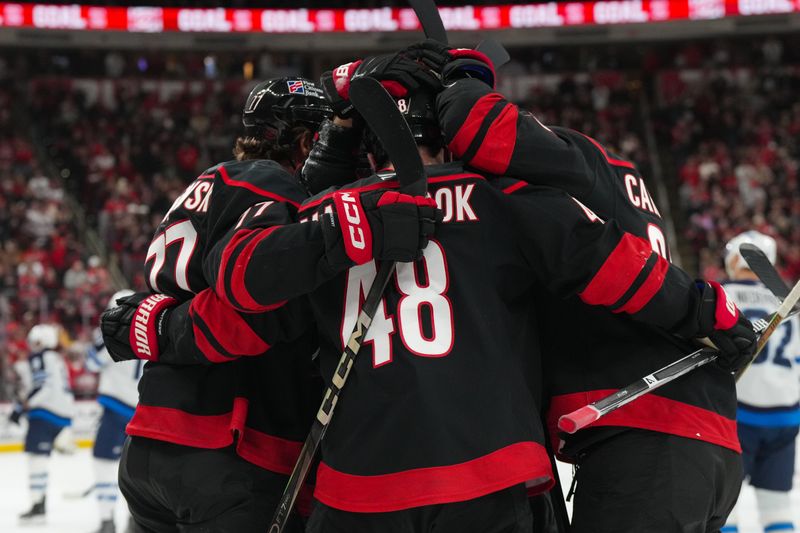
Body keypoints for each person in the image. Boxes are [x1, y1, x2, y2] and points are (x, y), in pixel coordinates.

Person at [166, 57, 754, 532]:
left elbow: (236, 282)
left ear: (363, 145)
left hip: (355, 490)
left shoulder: (314, 211)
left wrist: (152, 322)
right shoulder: (505, 196)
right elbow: (610, 266)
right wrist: (709, 310)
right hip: (492, 476)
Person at [371, 41, 757, 532]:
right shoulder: (622, 176)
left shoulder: (566, 161)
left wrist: (455, 83)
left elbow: (478, 125)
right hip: (702, 430)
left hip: (643, 435)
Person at [102, 77, 336, 533]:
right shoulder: (274, 183)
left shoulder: (206, 183)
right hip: (227, 446)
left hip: (150, 441)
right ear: (308, 140)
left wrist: (152, 325)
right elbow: (251, 301)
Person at [722, 231, 800, 533]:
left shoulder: (720, 292)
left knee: (724, 511)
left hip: (736, 415)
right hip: (785, 416)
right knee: (777, 510)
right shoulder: (789, 301)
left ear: (731, 260)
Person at [13, 323, 76, 524]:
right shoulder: (57, 358)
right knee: (39, 461)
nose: (32, 344)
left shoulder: (40, 357)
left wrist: (23, 406)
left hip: (45, 414)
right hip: (63, 414)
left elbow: (43, 387)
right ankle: (39, 504)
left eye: (36, 341)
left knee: (36, 461)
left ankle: (38, 506)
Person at [85, 289, 136, 533]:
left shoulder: (113, 329)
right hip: (140, 413)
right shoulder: (148, 330)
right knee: (135, 470)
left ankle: (107, 519)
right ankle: (134, 518)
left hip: (115, 407)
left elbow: (92, 363)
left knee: (103, 462)